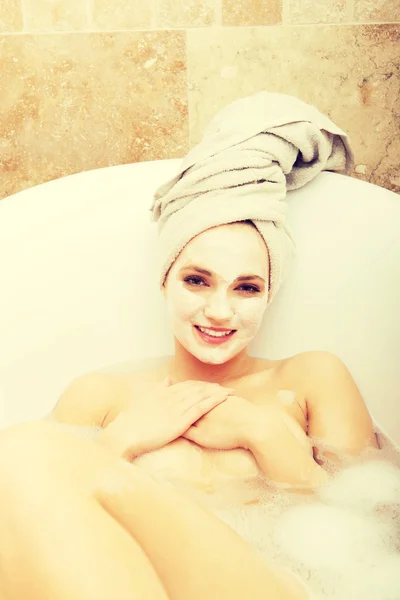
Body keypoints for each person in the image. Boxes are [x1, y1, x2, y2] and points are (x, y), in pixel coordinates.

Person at [0, 92, 378, 600]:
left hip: (280, 585)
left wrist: (262, 432)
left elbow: (367, 528)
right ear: (165, 282)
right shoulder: (103, 395)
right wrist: (122, 439)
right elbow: (36, 513)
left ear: (269, 296)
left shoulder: (310, 378)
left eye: (246, 288)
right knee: (18, 451)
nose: (220, 311)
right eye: (197, 281)